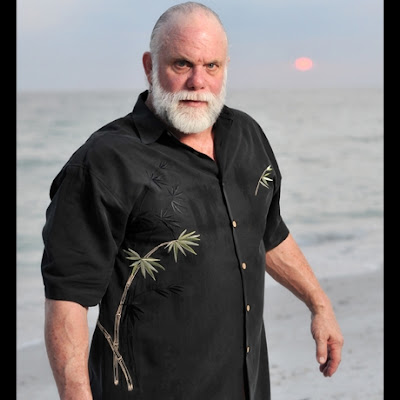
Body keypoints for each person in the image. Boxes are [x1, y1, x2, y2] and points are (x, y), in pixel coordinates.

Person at [41, 2, 344, 399]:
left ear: (225, 68)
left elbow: (268, 232)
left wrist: (319, 304)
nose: (197, 81)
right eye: (181, 64)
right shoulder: (103, 163)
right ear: (150, 66)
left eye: (211, 66)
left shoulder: (246, 136)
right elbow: (68, 299)